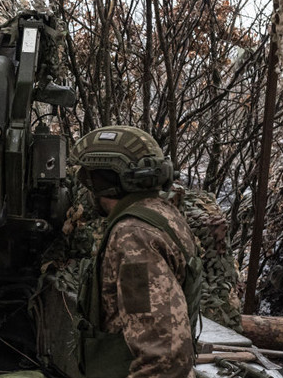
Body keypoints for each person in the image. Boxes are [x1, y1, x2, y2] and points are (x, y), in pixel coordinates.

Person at [70, 125, 202, 378]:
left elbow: (165, 357)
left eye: (88, 177)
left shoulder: (133, 236)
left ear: (101, 182)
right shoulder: (162, 213)